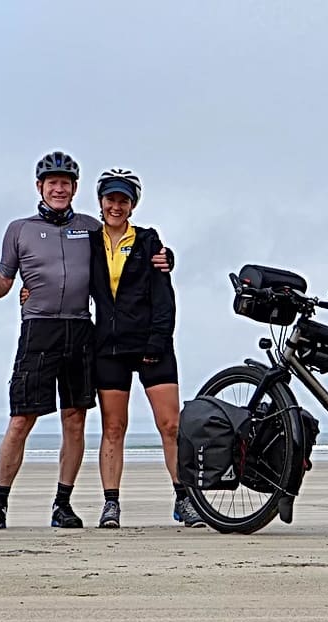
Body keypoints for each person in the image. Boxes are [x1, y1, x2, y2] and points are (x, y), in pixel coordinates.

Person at [0, 151, 172, 531]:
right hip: (38, 329)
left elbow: (128, 247)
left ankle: (62, 505)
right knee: (21, 420)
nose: (60, 189)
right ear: (40, 187)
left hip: (81, 328)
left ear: (76, 188)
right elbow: (2, 288)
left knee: (75, 420)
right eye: (53, 183)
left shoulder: (90, 227)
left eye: (66, 183)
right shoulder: (20, 229)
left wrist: (165, 258)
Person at [87, 168, 204, 529]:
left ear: (133, 205)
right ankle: (111, 505)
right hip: (109, 347)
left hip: (153, 345)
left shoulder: (150, 241)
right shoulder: (89, 241)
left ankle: (184, 499)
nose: (116, 206)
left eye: (123, 200)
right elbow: (64, 277)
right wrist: (30, 291)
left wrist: (157, 341)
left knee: (171, 426)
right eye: (111, 199)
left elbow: (164, 297)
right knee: (114, 427)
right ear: (101, 202)